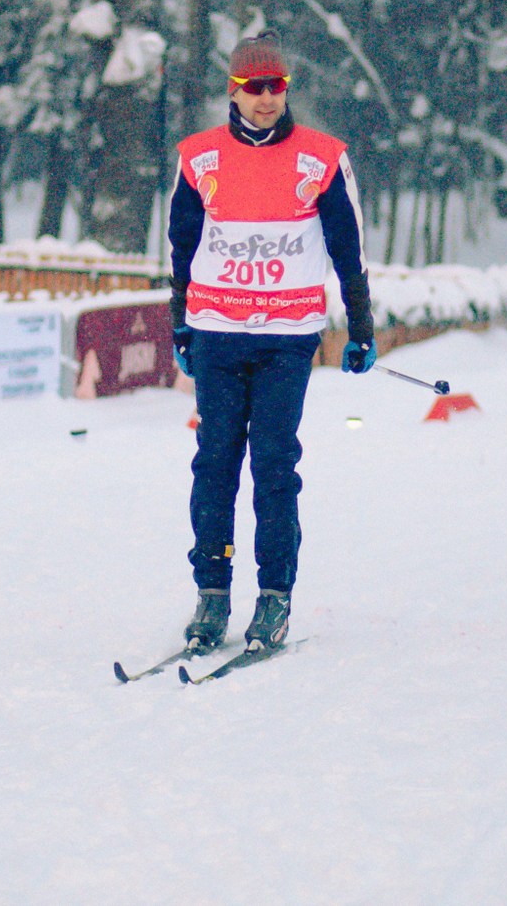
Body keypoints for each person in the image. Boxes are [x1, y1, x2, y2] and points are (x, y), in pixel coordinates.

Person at [166, 36, 376, 656]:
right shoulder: (199, 158)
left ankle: (274, 597)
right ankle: (212, 594)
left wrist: (360, 328)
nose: (265, 99)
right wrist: (180, 324)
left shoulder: (322, 159)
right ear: (233, 90)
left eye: (275, 87)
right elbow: (180, 247)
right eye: (253, 88)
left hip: (287, 339)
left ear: (287, 89)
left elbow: (348, 249)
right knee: (214, 466)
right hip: (217, 333)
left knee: (274, 467)